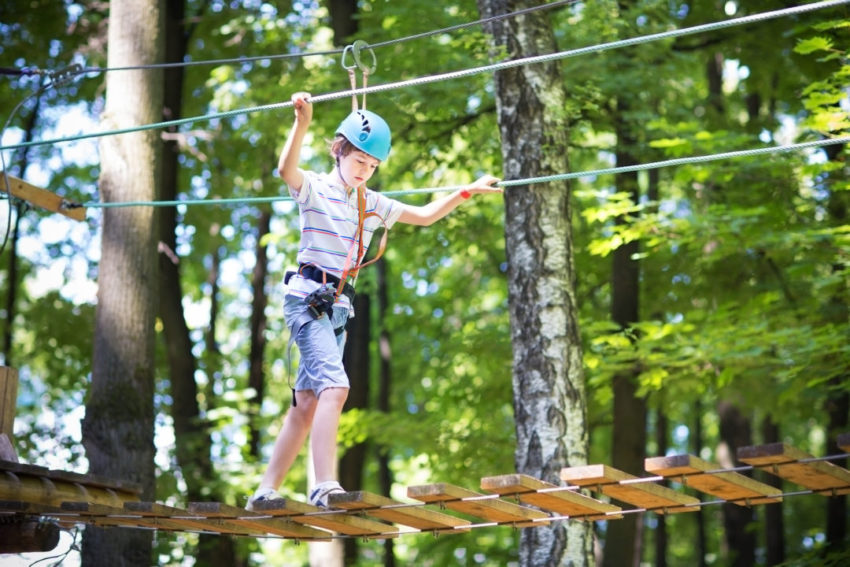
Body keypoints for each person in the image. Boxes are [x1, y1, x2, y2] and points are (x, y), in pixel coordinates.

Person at [246, 92, 501, 510]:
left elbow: (424, 215)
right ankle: (324, 486)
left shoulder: (372, 203)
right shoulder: (313, 188)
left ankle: (263, 491)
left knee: (308, 402)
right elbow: (284, 168)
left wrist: (466, 191)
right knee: (336, 387)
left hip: (337, 309)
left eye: (372, 165)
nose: (365, 170)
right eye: (359, 160)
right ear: (340, 152)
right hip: (308, 299)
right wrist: (302, 122)